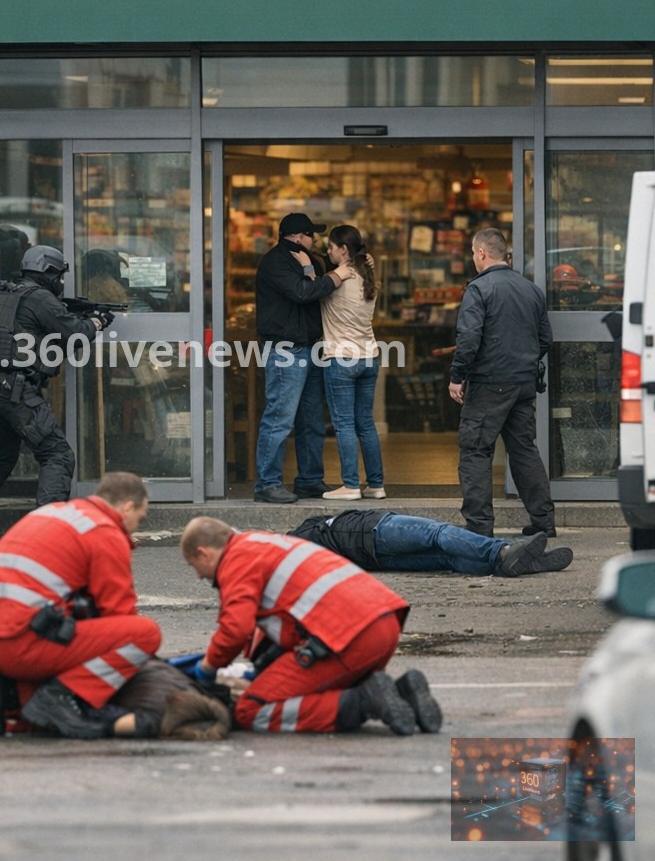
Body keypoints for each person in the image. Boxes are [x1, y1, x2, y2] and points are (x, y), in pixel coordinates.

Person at [179, 516, 441, 737]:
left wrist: (208, 667)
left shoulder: (236, 560)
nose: (199, 575)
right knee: (311, 687)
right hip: (385, 623)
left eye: (194, 566)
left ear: (203, 552)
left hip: (348, 639)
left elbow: (235, 629)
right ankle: (402, 695)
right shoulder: (263, 543)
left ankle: (363, 702)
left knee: (251, 709)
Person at [0, 471, 162, 739]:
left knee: (61, 638)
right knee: (143, 634)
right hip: (19, 645)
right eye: (140, 518)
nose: (136, 527)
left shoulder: (51, 513)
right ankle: (62, 697)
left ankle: (0, 689)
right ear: (127, 508)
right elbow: (119, 614)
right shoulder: (104, 530)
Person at [0, 245, 113, 529]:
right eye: (59, 276)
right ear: (48, 272)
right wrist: (97, 321)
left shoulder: (1, 294)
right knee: (57, 453)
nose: (60, 282)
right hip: (13, 390)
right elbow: (75, 334)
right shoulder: (40, 298)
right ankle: (47, 527)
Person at [448, 228, 556, 538]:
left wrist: (457, 376)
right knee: (524, 450)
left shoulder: (479, 289)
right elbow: (545, 339)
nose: (473, 257)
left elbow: (469, 339)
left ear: (482, 253)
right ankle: (544, 522)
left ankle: (479, 527)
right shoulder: (531, 289)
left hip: (488, 383)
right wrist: (522, 362)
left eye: (473, 252)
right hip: (523, 383)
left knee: (475, 451)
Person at [253, 213, 354, 504]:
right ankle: (267, 483)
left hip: (309, 348)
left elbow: (329, 269)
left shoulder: (307, 259)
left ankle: (309, 480)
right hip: (286, 351)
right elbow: (302, 292)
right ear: (298, 237)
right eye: (312, 235)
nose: (316, 240)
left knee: (311, 420)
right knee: (280, 418)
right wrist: (335, 276)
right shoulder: (275, 262)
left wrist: (361, 261)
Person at [289, 509, 573, 576]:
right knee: (438, 533)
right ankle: (503, 550)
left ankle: (513, 564)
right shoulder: (298, 539)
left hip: (373, 560)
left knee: (445, 557)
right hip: (373, 530)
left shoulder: (299, 557)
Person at [319, 224, 385, 501]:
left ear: (343, 249)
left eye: (331, 247)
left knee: (344, 424)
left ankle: (350, 485)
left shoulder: (336, 280)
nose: (327, 251)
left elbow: (312, 289)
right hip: (369, 357)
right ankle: (376, 485)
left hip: (342, 358)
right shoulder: (368, 278)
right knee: (365, 424)